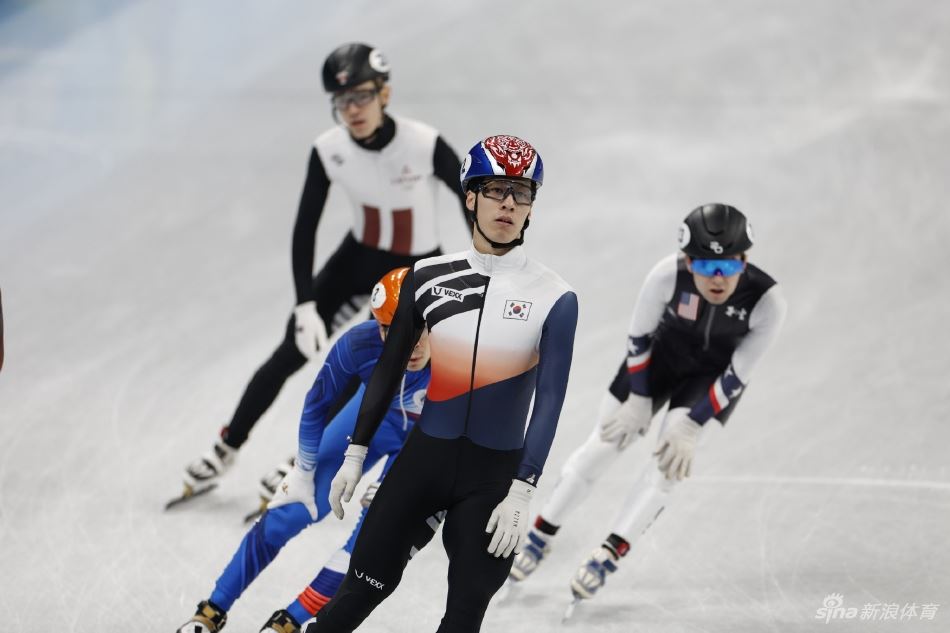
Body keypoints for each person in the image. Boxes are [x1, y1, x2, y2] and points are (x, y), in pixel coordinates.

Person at [305, 135, 578, 633]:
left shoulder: (555, 297)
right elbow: (388, 369)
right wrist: (355, 453)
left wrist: (523, 489)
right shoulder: (427, 276)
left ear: (531, 207)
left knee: (463, 618)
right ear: (470, 198)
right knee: (356, 596)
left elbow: (551, 400)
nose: (508, 204)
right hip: (423, 464)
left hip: (493, 480)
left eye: (521, 193)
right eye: (495, 190)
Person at [179, 42, 468, 499]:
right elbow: (305, 227)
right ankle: (226, 446)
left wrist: (477, 266)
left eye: (362, 96)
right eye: (342, 100)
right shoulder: (328, 149)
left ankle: (305, 460)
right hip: (356, 260)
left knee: (364, 367)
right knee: (289, 351)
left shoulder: (423, 143)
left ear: (385, 94)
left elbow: (470, 199)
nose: (353, 110)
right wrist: (304, 303)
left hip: (413, 270)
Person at [506, 203, 787, 603]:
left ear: (744, 261)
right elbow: (639, 338)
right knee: (602, 447)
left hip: (709, 381)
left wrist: (691, 425)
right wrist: (638, 398)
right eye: (706, 266)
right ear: (687, 261)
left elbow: (737, 374)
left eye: (729, 266)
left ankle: (609, 553)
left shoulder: (767, 301)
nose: (718, 278)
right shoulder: (665, 275)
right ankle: (540, 534)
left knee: (667, 467)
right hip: (656, 363)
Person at [177, 269, 442, 633]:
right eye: (392, 332)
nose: (410, 344)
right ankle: (212, 609)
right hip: (369, 421)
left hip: (425, 441)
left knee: (368, 542)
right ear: (378, 327)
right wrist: (303, 469)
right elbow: (317, 404)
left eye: (419, 330)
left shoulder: (460, 355)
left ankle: (289, 621)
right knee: (287, 513)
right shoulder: (360, 343)